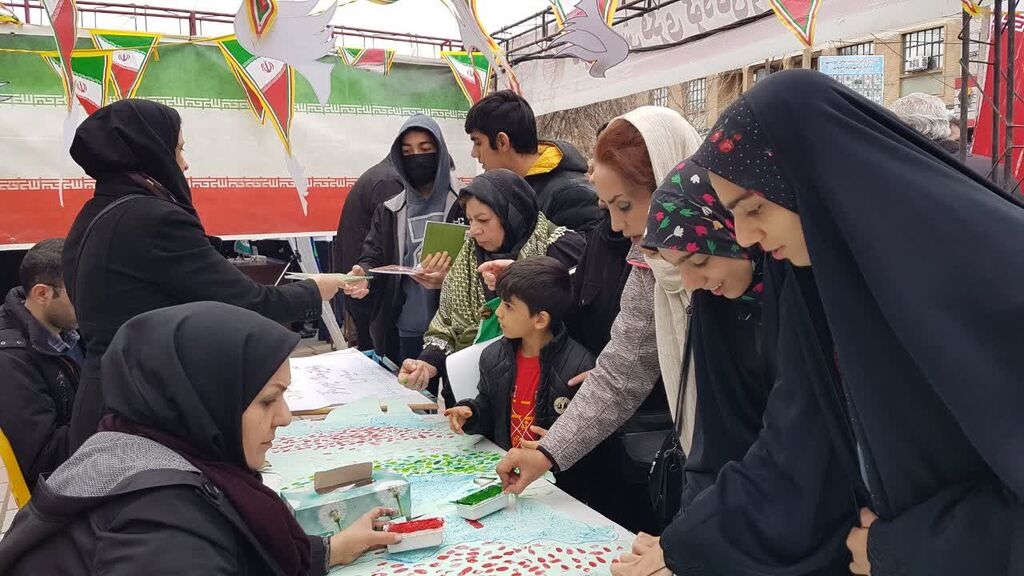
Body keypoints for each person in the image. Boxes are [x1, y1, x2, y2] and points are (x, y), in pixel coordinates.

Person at [694, 69, 1024, 576]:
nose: (743, 236)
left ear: (815, 176)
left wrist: (904, 551)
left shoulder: (993, 273)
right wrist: (690, 542)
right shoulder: (833, 285)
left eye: (754, 207)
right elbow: (798, 440)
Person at [0, 302, 399, 574]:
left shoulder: (132, 444)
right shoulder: (161, 529)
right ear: (205, 399)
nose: (285, 417)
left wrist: (331, 550)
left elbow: (246, 548)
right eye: (267, 400)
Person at [62, 99, 350, 451]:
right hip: (139, 414)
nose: (184, 163)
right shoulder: (153, 219)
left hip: (104, 399)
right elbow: (248, 303)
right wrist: (316, 289)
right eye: (178, 149)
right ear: (151, 149)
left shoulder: (95, 213)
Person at [611, 160, 854, 576]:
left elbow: (797, 441)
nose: (691, 283)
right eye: (679, 267)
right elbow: (716, 441)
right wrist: (688, 537)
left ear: (733, 233)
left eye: (698, 262)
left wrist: (696, 540)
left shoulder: (808, 296)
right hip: (758, 506)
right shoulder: (714, 307)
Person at [494, 106, 699, 535]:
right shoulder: (648, 262)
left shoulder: (745, 266)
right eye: (607, 208)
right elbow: (620, 372)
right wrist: (547, 453)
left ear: (671, 185)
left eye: (625, 205)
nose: (619, 226)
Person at [396, 169, 585, 395]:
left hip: (541, 390)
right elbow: (448, 324)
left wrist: (518, 278)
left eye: (483, 220)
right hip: (474, 396)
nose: (474, 231)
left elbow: (574, 318)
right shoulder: (469, 257)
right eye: (470, 220)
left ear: (512, 214)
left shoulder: (561, 249)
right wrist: (426, 365)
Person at [343, 115, 464, 367]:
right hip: (406, 328)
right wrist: (363, 274)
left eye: (425, 149)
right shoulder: (390, 209)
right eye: (407, 152)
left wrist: (450, 279)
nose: (416, 157)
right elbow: (372, 256)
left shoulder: (465, 203)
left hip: (456, 330)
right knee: (412, 389)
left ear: (441, 153)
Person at [444, 256, 593, 454]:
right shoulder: (493, 357)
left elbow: (587, 434)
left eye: (508, 306)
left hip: (549, 472)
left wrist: (559, 448)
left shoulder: (579, 367)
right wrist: (471, 413)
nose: (498, 312)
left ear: (540, 320)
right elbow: (489, 409)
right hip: (507, 465)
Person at [0, 239, 83, 491]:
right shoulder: (10, 361)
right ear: (42, 294)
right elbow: (45, 461)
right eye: (77, 292)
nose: (88, 301)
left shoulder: (69, 326)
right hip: (62, 489)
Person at [464, 90, 603, 233]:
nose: (474, 153)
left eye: (478, 143)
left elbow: (584, 247)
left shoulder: (572, 196)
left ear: (502, 142)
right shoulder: (503, 190)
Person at [332, 156, 403, 349]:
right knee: (379, 352)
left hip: (362, 279)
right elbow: (393, 238)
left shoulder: (383, 175)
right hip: (369, 283)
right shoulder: (389, 182)